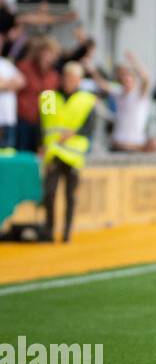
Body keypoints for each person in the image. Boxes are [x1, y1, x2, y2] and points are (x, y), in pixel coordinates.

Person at [39, 61, 97, 242]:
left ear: (79, 80)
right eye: (67, 77)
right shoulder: (49, 97)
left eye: (74, 78)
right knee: (49, 193)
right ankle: (49, 230)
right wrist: (41, 145)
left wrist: (74, 133)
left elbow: (90, 128)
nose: (70, 81)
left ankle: (66, 232)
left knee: (70, 196)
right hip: (53, 153)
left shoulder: (87, 100)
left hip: (74, 155)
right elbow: (42, 124)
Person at [14, 35, 61, 153]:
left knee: (36, 156)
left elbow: (49, 105)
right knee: (20, 154)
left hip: (39, 123)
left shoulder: (53, 76)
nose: (47, 56)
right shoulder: (24, 67)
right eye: (45, 52)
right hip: (22, 119)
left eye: (51, 53)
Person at [108, 51, 156, 153]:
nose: (127, 83)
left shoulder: (139, 95)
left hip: (135, 144)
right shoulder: (119, 92)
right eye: (124, 80)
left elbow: (146, 79)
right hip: (118, 143)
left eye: (129, 80)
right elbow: (103, 85)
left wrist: (134, 62)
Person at [0, 47, 22, 148]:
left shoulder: (6, 63)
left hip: (8, 118)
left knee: (8, 154)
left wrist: (4, 84)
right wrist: (10, 84)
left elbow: (21, 82)